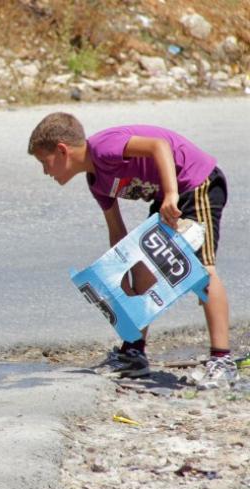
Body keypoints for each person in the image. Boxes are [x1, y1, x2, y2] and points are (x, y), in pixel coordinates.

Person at [28, 112, 238, 389]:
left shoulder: (104, 147)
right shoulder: (97, 182)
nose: (45, 171)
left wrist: (172, 194)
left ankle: (222, 361)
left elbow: (158, 146)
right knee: (141, 271)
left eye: (45, 162)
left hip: (196, 184)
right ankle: (134, 353)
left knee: (201, 271)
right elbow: (117, 231)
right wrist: (120, 271)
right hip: (168, 198)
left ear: (62, 150)